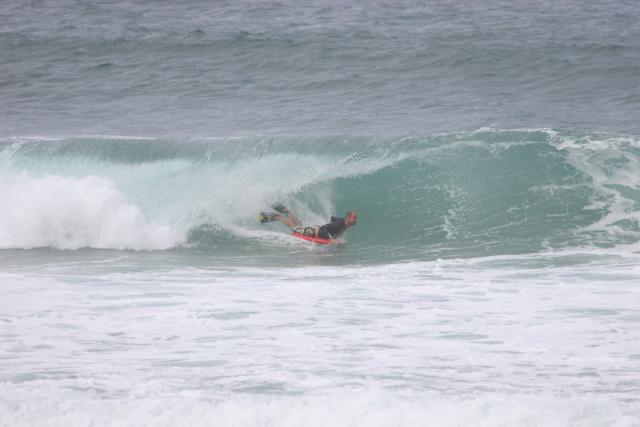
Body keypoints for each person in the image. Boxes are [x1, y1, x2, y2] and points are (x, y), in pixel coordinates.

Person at [259, 203, 357, 241]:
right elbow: (324, 228)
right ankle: (278, 217)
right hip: (314, 232)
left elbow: (333, 218)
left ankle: (286, 212)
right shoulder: (340, 224)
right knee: (296, 229)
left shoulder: (343, 222)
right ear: (348, 218)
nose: (356, 220)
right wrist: (330, 239)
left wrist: (335, 236)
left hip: (314, 230)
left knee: (299, 225)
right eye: (354, 218)